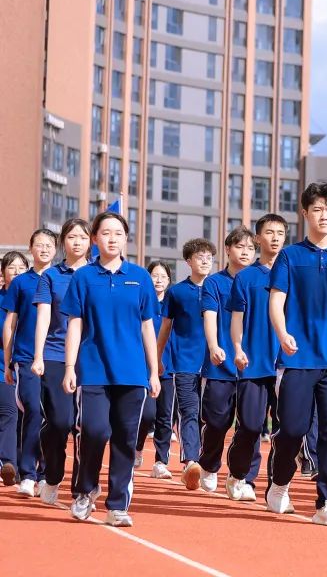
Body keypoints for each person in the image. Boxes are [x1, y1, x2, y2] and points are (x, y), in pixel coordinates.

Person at [266, 181, 327, 526]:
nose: (324, 215)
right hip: (297, 359)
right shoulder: (290, 257)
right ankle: (279, 483)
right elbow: (276, 301)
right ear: (305, 213)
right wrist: (283, 334)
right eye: (318, 209)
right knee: (293, 430)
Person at [60, 211, 161, 526]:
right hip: (93, 369)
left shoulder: (140, 277)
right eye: (105, 233)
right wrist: (69, 366)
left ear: (126, 238)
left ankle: (117, 505)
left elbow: (148, 327)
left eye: (118, 233)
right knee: (94, 431)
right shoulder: (84, 277)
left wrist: (154, 371)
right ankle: (85, 489)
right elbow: (75, 324)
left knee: (125, 438)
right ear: (95, 239)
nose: (112, 238)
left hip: (132, 372)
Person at [186, 227, 257, 494]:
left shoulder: (261, 281)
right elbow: (210, 316)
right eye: (240, 247)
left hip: (254, 366)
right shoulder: (215, 283)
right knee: (217, 422)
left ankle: (242, 476)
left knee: (251, 425)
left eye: (251, 248)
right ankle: (209, 464)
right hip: (221, 365)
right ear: (228, 249)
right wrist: (214, 345)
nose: (246, 252)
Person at [226, 213, 287, 501]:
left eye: (280, 233)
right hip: (253, 362)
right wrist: (238, 348)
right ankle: (239, 474)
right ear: (258, 238)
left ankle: (275, 485)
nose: (275, 238)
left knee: (284, 429)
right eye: (269, 232)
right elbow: (237, 319)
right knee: (250, 426)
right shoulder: (245, 277)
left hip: (287, 364)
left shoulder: (292, 274)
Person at [30, 218, 91, 504]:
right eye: (72, 237)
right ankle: (52, 474)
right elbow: (43, 317)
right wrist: (38, 355)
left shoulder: (97, 274)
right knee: (59, 421)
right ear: (62, 242)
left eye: (83, 237)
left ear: (90, 242)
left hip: (89, 357)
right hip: (55, 354)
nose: (77, 242)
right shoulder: (52, 276)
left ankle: (81, 488)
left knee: (85, 425)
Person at [3, 228, 58, 496]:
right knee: (34, 410)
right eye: (39, 244)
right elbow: (10, 323)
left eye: (49, 245)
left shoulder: (61, 278)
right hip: (25, 357)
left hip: (56, 357)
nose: (44, 249)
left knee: (55, 416)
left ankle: (47, 473)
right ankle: (27, 473)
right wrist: (7, 359)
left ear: (55, 250)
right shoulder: (21, 283)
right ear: (31, 248)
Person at [157, 238, 216, 476]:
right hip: (184, 363)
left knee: (211, 416)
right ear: (188, 261)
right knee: (189, 412)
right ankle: (191, 462)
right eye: (200, 257)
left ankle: (208, 462)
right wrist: (158, 357)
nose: (205, 261)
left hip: (215, 364)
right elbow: (165, 327)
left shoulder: (220, 288)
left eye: (209, 257)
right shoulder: (176, 292)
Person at [138, 261, 175, 478]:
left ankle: (161, 462)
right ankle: (137, 447)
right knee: (146, 414)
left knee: (165, 416)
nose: (159, 280)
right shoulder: (143, 303)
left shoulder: (172, 304)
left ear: (169, 280)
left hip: (167, 368)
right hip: (143, 368)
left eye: (163, 276)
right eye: (154, 275)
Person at [0, 251, 29, 485]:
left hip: (26, 364)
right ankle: (8, 462)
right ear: (3, 273)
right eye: (12, 267)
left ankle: (21, 465)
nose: (17, 272)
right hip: (3, 366)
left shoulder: (33, 298)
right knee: (9, 411)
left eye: (21, 267)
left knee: (25, 416)